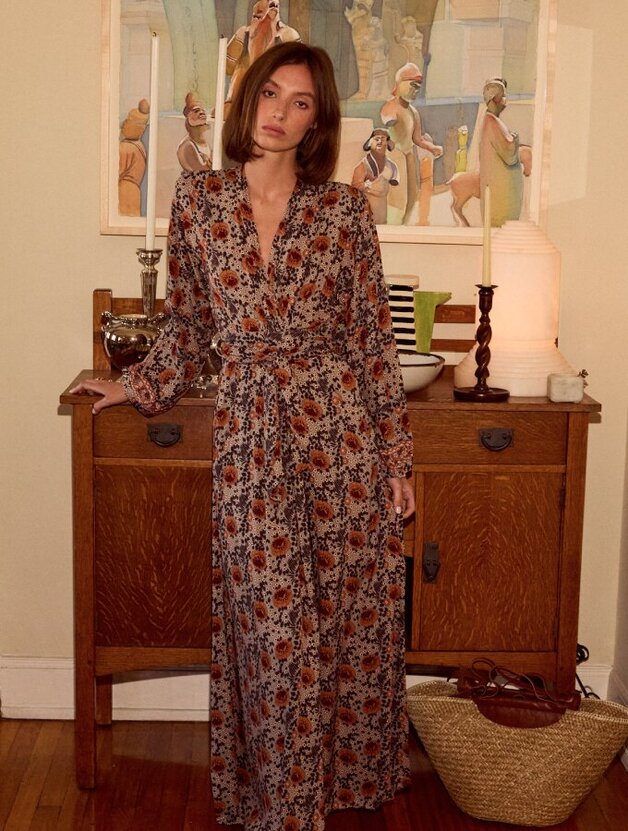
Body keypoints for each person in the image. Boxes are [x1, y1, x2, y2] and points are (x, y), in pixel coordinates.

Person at [70, 41, 415, 831]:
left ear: (317, 122)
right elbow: (190, 324)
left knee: (348, 626)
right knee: (274, 631)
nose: (280, 113)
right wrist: (135, 383)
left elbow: (371, 341)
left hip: (340, 441)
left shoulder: (342, 213)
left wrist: (395, 457)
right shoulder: (198, 201)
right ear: (247, 97)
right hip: (253, 440)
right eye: (271, 93)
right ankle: (285, 808)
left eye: (301, 104)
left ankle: (319, 795)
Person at [380, 62, 442, 225]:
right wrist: (390, 120)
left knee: (413, 194)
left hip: (409, 154)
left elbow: (418, 139)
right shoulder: (391, 105)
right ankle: (394, 227)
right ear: (399, 83)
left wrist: (432, 147)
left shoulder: (413, 112)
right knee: (398, 197)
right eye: (412, 85)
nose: (415, 90)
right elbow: (387, 116)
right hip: (395, 155)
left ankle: (404, 226)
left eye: (418, 87)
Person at [479, 77, 523, 227]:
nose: (505, 100)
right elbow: (509, 155)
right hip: (500, 195)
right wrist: (514, 141)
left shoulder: (493, 121)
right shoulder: (491, 122)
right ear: (495, 99)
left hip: (502, 192)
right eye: (503, 96)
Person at [351, 126, 399, 224]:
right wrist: (369, 186)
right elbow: (354, 187)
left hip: (382, 211)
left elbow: (394, 184)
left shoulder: (391, 166)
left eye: (383, 139)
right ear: (370, 142)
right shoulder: (362, 166)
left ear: (388, 143)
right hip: (366, 212)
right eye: (376, 139)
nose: (380, 142)